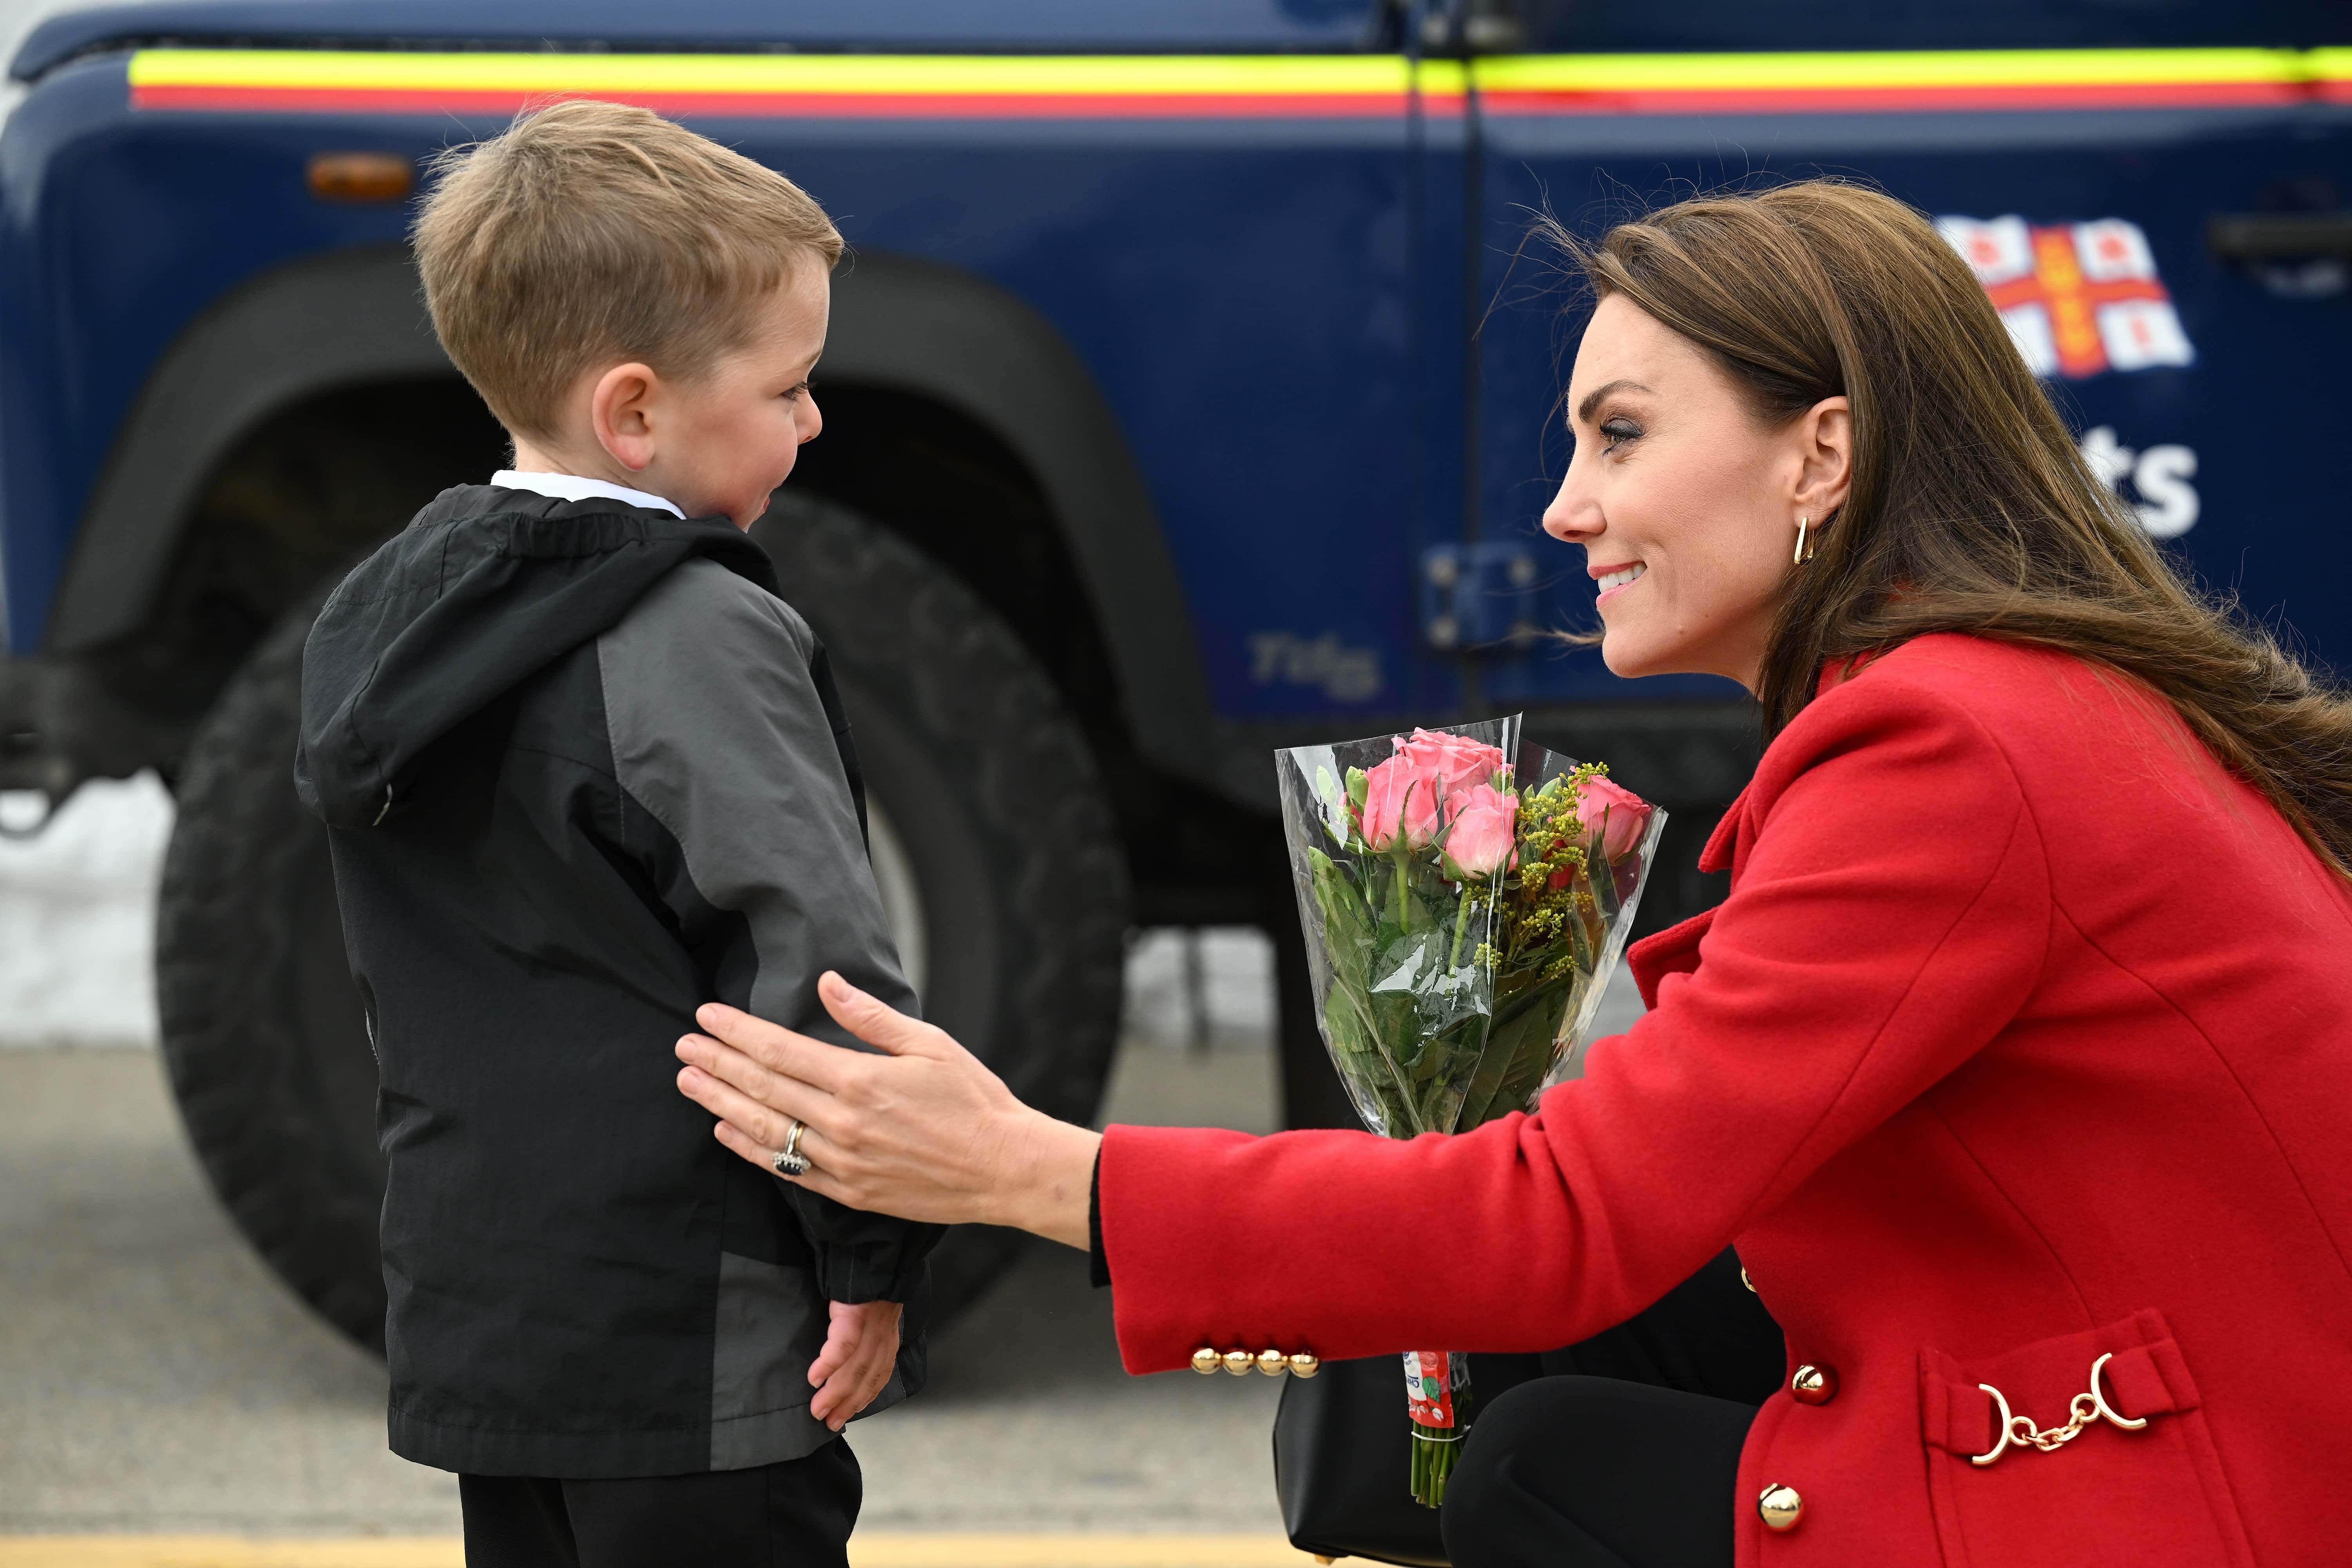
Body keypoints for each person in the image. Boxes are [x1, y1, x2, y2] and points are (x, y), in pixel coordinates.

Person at [672, 179, 2352, 1567]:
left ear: (1822, 457)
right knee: (1529, 1357)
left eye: (1620, 438)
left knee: (1551, 1466)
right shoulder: (2003, 700)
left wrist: (1038, 1172)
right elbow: (1651, 1174)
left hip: (2199, 1498)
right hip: (2193, 1414)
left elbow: (1574, 1209)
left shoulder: (1947, 746)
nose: (1566, 508)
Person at [294, 101, 939, 1568]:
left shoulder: (384, 617)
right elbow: (816, 972)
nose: (814, 418)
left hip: (491, 1328)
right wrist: (872, 1258)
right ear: (636, 411)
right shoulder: (698, 631)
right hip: (694, 1345)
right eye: (790, 386)